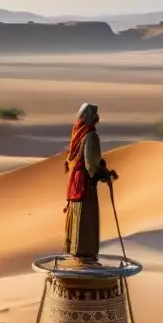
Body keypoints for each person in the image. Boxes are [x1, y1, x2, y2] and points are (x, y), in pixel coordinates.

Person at [63, 103, 117, 261]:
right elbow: (91, 166)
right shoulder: (91, 135)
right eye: (94, 113)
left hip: (76, 183)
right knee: (87, 217)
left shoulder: (77, 135)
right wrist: (105, 174)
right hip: (85, 185)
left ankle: (76, 250)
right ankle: (85, 252)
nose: (97, 116)